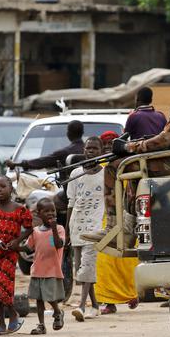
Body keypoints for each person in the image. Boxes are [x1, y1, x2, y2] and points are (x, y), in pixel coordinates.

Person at [89, 49, 170, 239]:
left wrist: (128, 147)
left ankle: (119, 228)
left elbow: (165, 140)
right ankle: (128, 226)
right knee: (131, 164)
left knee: (116, 167)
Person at [0, 176, 32, 334]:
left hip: (9, 255)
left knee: (2, 288)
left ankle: (13, 314)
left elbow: (29, 228)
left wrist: (18, 241)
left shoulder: (20, 209)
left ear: (11, 188)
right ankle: (2, 323)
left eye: (2, 187)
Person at [15, 198, 66, 334]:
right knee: (38, 299)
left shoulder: (60, 229)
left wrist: (54, 228)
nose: (50, 213)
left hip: (52, 270)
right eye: (46, 211)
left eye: (53, 210)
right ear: (39, 213)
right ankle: (41, 325)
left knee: (50, 297)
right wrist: (15, 247)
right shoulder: (36, 231)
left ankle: (57, 312)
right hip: (37, 269)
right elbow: (28, 248)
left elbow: (58, 244)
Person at [67, 137, 104, 321]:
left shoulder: (106, 175)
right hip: (77, 225)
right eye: (88, 148)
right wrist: (67, 228)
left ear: (101, 151)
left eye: (95, 148)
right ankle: (95, 305)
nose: (91, 151)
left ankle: (81, 306)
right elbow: (71, 203)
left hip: (95, 225)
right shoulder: (75, 174)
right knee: (80, 268)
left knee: (87, 265)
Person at [6, 120, 84, 171]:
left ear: (68, 134)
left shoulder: (64, 153)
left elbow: (42, 162)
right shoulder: (92, 150)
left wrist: (15, 164)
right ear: (82, 132)